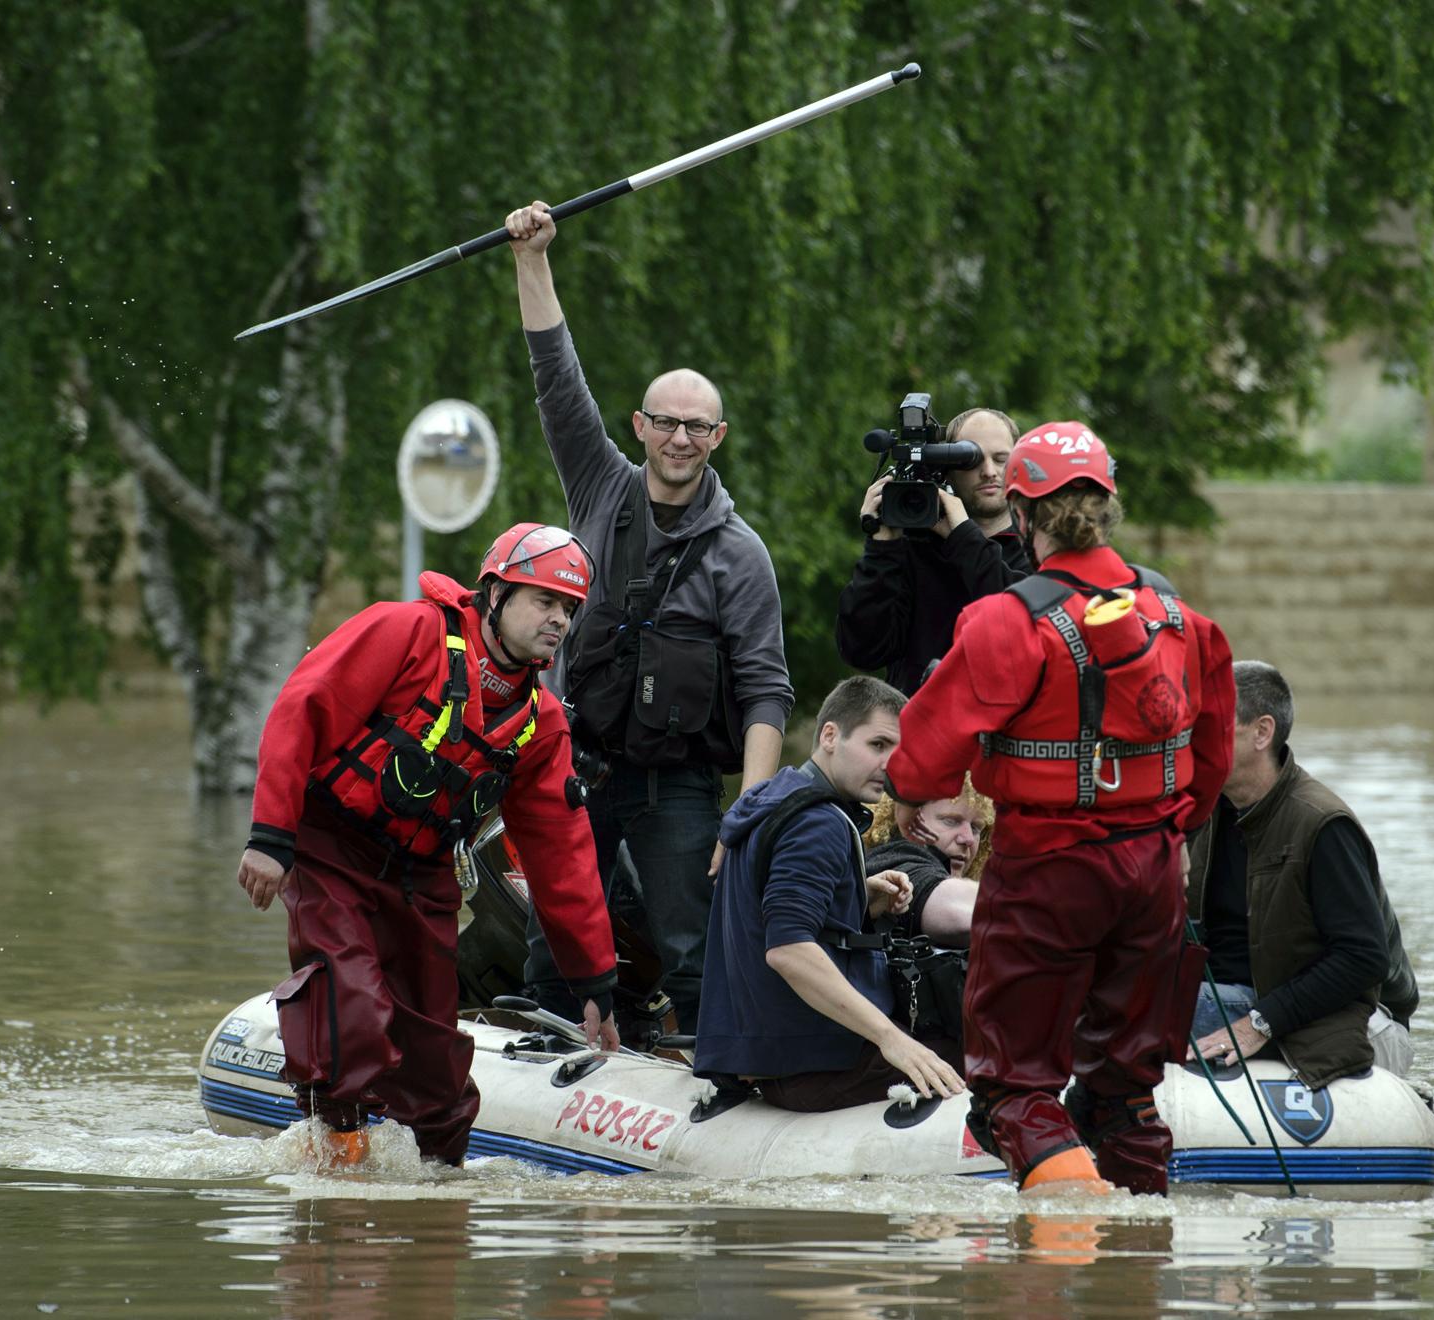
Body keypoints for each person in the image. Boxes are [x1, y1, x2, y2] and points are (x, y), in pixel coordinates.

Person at [884, 420, 1237, 1196]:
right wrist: (1168, 833)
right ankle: (1136, 1267)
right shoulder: (1179, 618)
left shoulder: (1007, 622)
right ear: (1108, 505)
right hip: (1152, 877)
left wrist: (911, 799)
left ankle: (1051, 1271)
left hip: (1046, 872)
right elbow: (1211, 761)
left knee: (1014, 1088)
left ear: (1020, 515)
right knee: (1124, 1096)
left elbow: (922, 757)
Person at [235, 524, 619, 1167]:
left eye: (570, 610)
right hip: (333, 850)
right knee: (352, 1013)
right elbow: (302, 707)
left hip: (423, 873)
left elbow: (563, 855)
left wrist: (594, 979)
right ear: (494, 593)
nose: (559, 620)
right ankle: (338, 1173)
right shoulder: (405, 632)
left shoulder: (538, 722)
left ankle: (439, 1202)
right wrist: (270, 838)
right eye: (545, 602)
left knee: (440, 1075)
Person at [503, 199, 793, 1035]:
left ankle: (717, 1068)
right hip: (575, 763)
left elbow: (766, 692)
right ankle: (541, 1057)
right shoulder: (598, 483)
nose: (677, 437)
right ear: (640, 425)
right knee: (554, 940)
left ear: (718, 437)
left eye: (695, 427)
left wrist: (750, 813)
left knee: (693, 943)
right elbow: (557, 381)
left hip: (680, 788)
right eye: (663, 421)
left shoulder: (742, 555)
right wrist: (533, 258)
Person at [694, 676, 966, 1113]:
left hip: (768, 1057)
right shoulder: (816, 822)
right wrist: (893, 1040)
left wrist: (858, 896)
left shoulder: (774, 795)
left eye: (899, 752)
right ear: (830, 735)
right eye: (878, 745)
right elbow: (789, 950)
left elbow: (765, 912)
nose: (890, 764)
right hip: (817, 1066)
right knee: (992, 1057)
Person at [1184, 660, 1419, 1084]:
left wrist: (1259, 1024)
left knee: (1139, 1016)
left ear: (1261, 732)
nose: (1195, 742)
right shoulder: (1201, 814)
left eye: (1211, 727)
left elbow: (1364, 959)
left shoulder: (1323, 823)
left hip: (1340, 1016)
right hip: (1227, 996)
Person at [835, 407, 1031, 694]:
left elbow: (1027, 624)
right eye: (972, 460)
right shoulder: (916, 546)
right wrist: (881, 546)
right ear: (947, 467)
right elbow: (862, 651)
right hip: (920, 729)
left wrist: (962, 537)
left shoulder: (1038, 545)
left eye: (1001, 459)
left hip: (1006, 731)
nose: (989, 471)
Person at [860, 774, 995, 944]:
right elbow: (955, 910)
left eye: (976, 828)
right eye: (950, 821)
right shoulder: (893, 861)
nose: (968, 839)